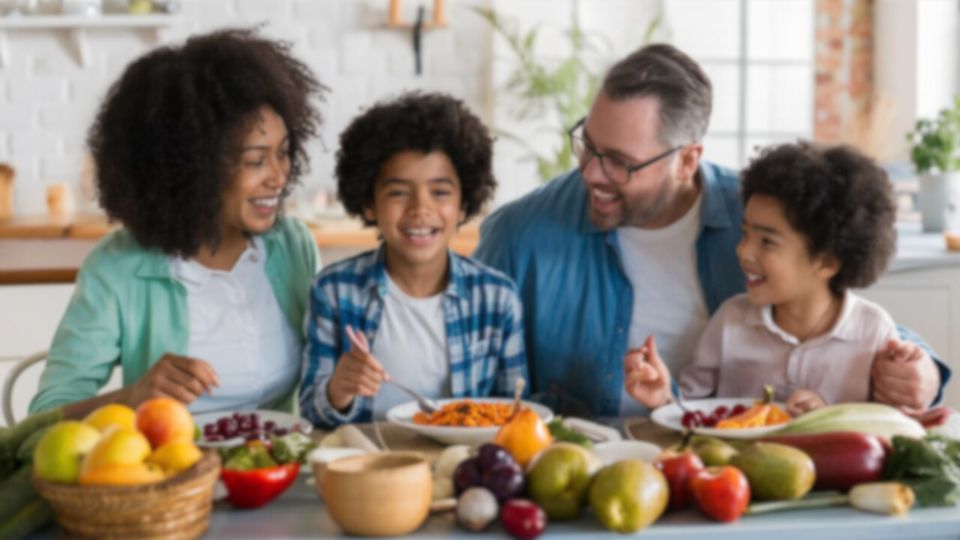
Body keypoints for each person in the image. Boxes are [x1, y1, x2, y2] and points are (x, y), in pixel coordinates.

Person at [473, 43, 950, 417]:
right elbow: (471, 387)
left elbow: (837, 314)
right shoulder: (520, 235)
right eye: (589, 145)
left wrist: (921, 369)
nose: (592, 174)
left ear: (687, 159)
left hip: (729, 470)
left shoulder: (760, 217)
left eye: (620, 162)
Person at [29, 29, 325, 418]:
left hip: (277, 472)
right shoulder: (119, 268)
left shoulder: (291, 245)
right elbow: (44, 418)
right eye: (256, 160)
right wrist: (131, 398)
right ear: (192, 167)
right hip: (172, 473)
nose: (278, 176)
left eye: (283, 153)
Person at [626, 142, 916, 416]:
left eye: (767, 242)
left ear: (827, 262)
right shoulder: (731, 321)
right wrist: (663, 399)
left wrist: (827, 416)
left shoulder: (873, 331)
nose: (743, 251)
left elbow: (888, 425)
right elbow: (690, 413)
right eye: (745, 233)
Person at [299, 92, 528, 427]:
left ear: (464, 204)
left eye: (440, 192)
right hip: (368, 464)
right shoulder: (334, 290)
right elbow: (309, 412)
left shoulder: (498, 298)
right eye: (398, 192)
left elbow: (514, 413)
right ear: (369, 203)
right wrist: (338, 390)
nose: (420, 209)